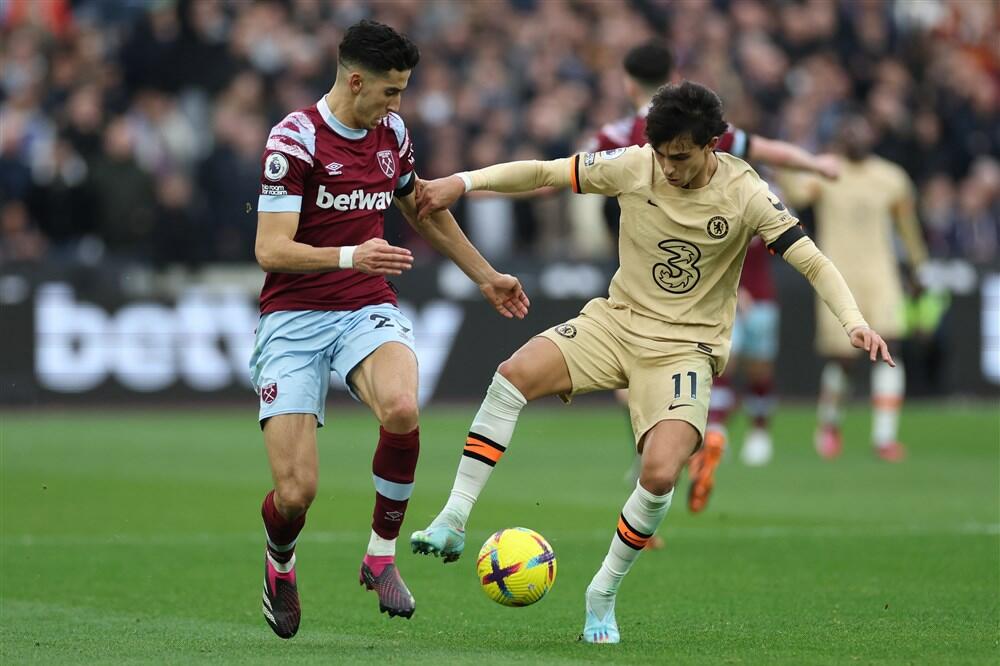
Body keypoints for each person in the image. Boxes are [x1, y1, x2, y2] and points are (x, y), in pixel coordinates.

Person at [410, 81, 894, 644]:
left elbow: (811, 262)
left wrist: (853, 320)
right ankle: (453, 517)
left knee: (661, 472)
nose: (668, 166)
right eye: (661, 153)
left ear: (712, 143)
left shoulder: (748, 192)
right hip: (616, 323)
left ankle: (603, 591)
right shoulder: (634, 164)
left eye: (681, 156)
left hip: (685, 348)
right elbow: (543, 173)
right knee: (512, 375)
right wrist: (460, 183)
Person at [250, 20, 528, 639]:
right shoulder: (293, 139)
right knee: (295, 494)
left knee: (403, 407)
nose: (398, 105)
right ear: (356, 80)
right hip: (293, 317)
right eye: (391, 91)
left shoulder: (392, 134)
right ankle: (280, 562)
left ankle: (380, 556)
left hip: (363, 306)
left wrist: (485, 275)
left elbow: (420, 208)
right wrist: (353, 254)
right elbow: (271, 249)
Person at [585, 40, 842, 526]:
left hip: (640, 264)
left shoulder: (615, 134)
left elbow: (580, 184)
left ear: (626, 82)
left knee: (630, 376)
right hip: (702, 273)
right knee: (697, 364)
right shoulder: (704, 131)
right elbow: (765, 149)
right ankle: (676, 459)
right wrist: (817, 164)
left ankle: (655, 466)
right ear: (674, 72)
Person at [778, 113, 927, 462]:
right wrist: (785, 158)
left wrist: (919, 267)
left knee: (891, 349)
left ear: (872, 135)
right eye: (849, 131)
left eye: (861, 130)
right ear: (841, 139)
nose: (855, 137)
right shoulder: (828, 172)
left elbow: (907, 226)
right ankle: (829, 424)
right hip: (838, 276)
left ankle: (885, 436)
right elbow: (799, 194)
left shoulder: (891, 178)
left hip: (882, 275)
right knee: (843, 358)